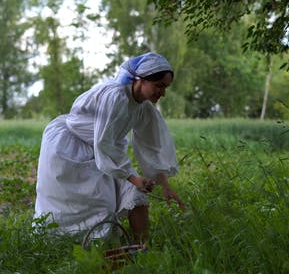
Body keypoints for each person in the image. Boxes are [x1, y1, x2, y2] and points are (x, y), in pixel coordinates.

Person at [34, 52, 184, 242]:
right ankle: (88, 248)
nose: (163, 93)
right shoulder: (116, 96)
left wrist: (165, 185)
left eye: (166, 88)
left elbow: (151, 146)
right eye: (159, 86)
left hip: (105, 154)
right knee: (99, 202)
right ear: (141, 79)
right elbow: (103, 143)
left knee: (134, 194)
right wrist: (132, 177)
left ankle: (143, 250)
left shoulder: (144, 107)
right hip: (70, 147)